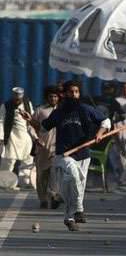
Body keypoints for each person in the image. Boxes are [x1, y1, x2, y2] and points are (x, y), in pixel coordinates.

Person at [25, 80, 110, 232]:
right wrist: (30, 120)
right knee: (74, 176)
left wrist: (99, 133)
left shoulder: (86, 109)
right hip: (64, 155)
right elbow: (43, 128)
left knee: (77, 187)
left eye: (76, 92)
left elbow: (105, 121)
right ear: (64, 94)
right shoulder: (58, 113)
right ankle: (79, 209)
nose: (74, 94)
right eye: (71, 92)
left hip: (83, 154)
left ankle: (69, 218)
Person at [0, 87, 35, 189]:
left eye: (19, 98)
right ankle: (4, 183)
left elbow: (31, 119)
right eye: (15, 97)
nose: (17, 100)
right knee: (9, 160)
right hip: (11, 136)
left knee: (27, 159)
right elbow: (1, 121)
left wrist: (34, 134)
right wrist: (1, 137)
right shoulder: (6, 105)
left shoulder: (28, 104)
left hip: (25, 136)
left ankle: (24, 181)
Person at [32, 86, 61, 208]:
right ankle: (43, 199)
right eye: (51, 96)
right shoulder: (40, 110)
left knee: (56, 173)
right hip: (43, 147)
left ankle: (54, 195)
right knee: (42, 175)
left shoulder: (62, 110)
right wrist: (36, 138)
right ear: (47, 97)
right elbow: (31, 126)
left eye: (55, 96)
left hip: (58, 148)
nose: (53, 98)